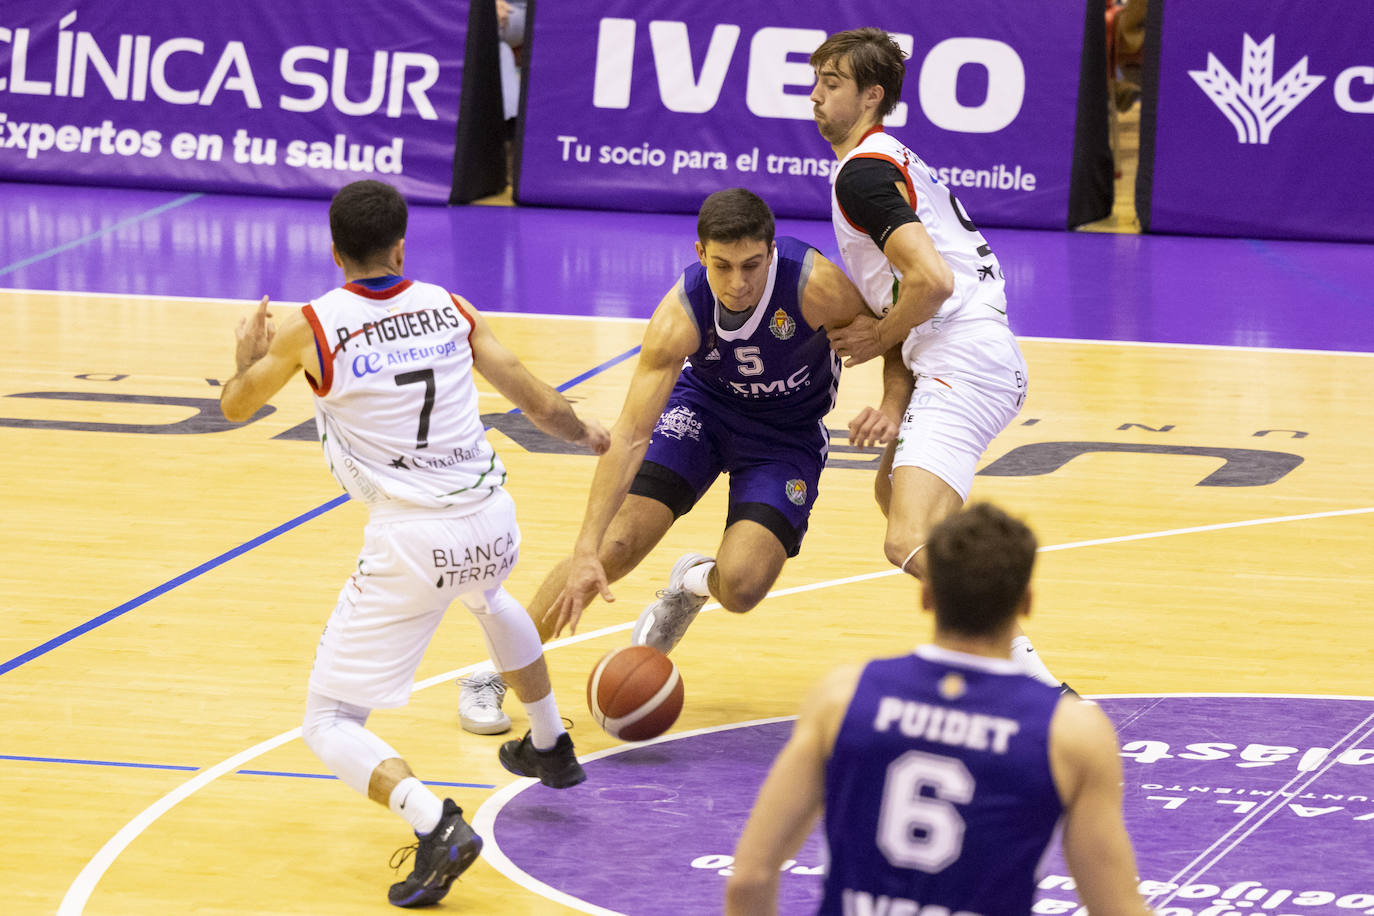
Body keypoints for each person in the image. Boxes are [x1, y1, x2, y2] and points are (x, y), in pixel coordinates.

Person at [218, 179, 609, 908]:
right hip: (493, 521)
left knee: (329, 720)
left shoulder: (313, 326)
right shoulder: (450, 307)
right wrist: (589, 434)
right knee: (488, 596)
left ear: (334, 254)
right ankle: (550, 744)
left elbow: (236, 406)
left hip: (412, 540)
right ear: (403, 244)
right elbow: (533, 397)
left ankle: (436, 826)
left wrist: (244, 355)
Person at [459, 187, 880, 731]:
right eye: (723, 265)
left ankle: (692, 584)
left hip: (787, 435)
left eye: (752, 265)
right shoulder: (679, 315)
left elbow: (888, 338)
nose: (738, 282)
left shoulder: (815, 284)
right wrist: (586, 547)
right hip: (704, 412)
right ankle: (489, 675)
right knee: (614, 547)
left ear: (772, 252)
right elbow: (631, 435)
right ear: (700, 254)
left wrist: (892, 405)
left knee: (745, 587)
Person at [725, 503, 1151, 916]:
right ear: (1025, 603)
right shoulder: (1072, 733)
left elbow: (750, 880)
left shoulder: (842, 697)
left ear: (927, 595)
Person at [809, 28, 1061, 687]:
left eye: (831, 84)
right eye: (815, 81)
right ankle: (982, 653)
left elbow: (932, 284)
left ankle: (1029, 676)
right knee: (892, 494)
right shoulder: (883, 160)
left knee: (905, 538)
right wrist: (894, 401)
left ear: (870, 96)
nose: (815, 95)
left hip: (965, 360)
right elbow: (908, 293)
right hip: (964, 355)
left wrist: (875, 336)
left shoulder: (864, 173)